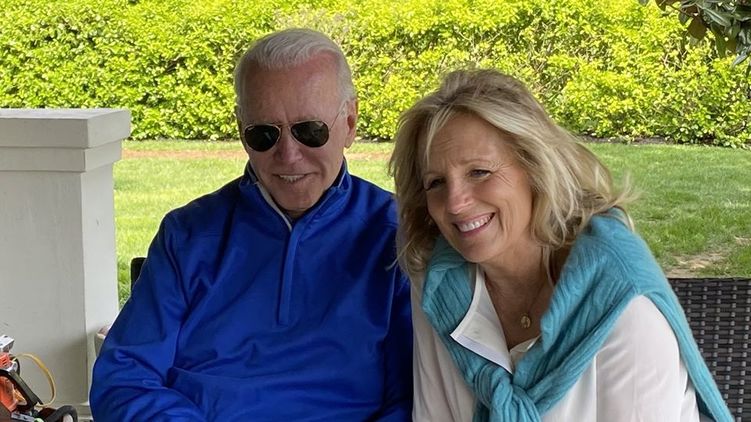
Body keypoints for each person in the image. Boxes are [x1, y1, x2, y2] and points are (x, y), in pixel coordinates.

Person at [90, 28, 412, 421]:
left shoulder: (400, 236)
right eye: (264, 135)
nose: (288, 155)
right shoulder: (188, 235)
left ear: (349, 122)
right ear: (242, 132)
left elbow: (414, 397)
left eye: (310, 131)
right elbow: (125, 378)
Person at [389, 68, 732, 421]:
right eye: (436, 182)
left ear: (535, 168)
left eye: (479, 172)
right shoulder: (440, 283)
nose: (455, 203)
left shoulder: (623, 302)